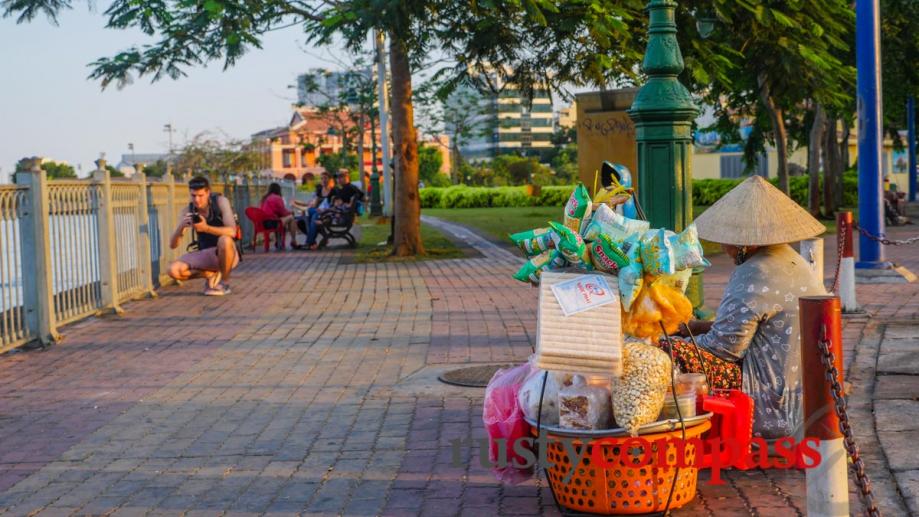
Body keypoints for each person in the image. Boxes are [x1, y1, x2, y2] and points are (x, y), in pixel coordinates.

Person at [664, 176, 826, 439]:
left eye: (727, 241)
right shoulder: (790, 259)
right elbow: (751, 328)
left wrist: (672, 339)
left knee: (663, 351)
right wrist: (693, 327)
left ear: (744, 243)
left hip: (770, 399)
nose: (724, 248)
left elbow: (724, 349)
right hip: (802, 397)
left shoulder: (755, 272)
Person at [168, 176, 239, 296]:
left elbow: (232, 232)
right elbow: (173, 245)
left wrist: (206, 228)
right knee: (173, 270)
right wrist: (181, 226)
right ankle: (210, 275)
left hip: (228, 253)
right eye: (193, 196)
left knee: (225, 240)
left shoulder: (221, 202)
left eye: (200, 195)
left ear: (208, 193)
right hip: (205, 254)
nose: (197, 200)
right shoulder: (188, 210)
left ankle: (223, 282)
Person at [293, 170, 338, 250]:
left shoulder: (333, 191)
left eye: (325, 178)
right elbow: (314, 205)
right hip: (318, 212)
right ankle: (311, 242)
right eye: (322, 178)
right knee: (307, 218)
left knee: (313, 216)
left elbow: (334, 206)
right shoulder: (319, 191)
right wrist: (311, 206)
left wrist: (324, 210)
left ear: (329, 180)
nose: (323, 180)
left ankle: (309, 243)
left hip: (327, 214)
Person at [259, 182, 301, 249]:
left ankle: (278, 241)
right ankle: (293, 241)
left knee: (282, 220)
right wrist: (291, 213)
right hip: (272, 223)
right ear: (278, 190)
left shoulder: (264, 198)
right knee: (291, 218)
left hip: (262, 223)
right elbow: (283, 212)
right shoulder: (277, 198)